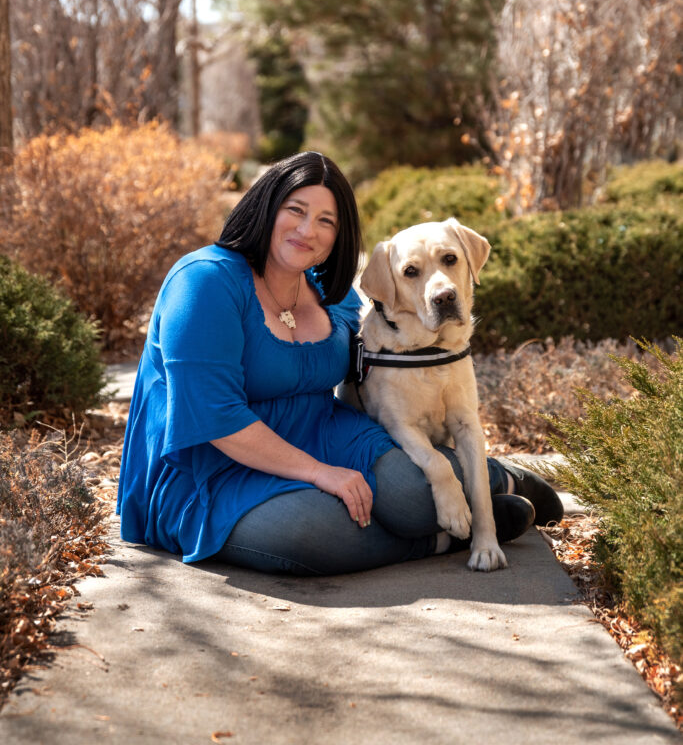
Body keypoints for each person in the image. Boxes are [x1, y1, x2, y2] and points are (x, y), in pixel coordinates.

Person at [117, 151, 563, 576]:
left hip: (324, 431)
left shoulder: (335, 294)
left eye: (326, 221)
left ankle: (498, 480)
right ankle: (442, 539)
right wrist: (321, 474)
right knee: (309, 527)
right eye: (296, 210)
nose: (308, 230)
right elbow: (216, 419)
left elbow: (383, 361)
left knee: (411, 494)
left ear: (338, 235)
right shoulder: (204, 283)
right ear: (265, 205)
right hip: (213, 466)